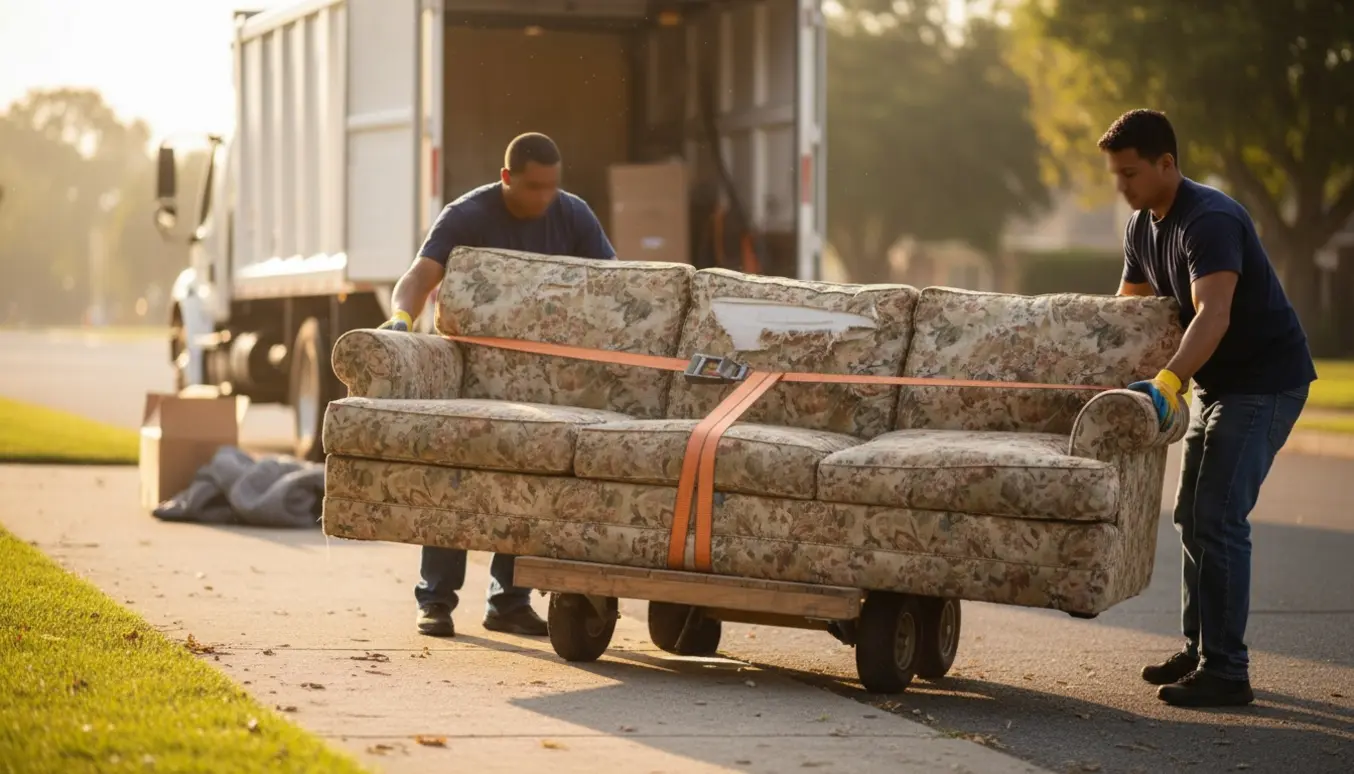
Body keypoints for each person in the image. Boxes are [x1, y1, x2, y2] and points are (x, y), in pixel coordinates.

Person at [1099, 109, 1317, 708]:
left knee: (1218, 517)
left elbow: (1212, 314)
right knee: (1191, 515)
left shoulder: (1211, 219)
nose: (1123, 187)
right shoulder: (1142, 225)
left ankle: (1228, 670)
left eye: (1132, 174)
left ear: (1168, 163)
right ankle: (1200, 650)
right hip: (1219, 386)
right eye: (1117, 176)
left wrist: (1168, 381)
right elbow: (1130, 314)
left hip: (1265, 381)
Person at [376, 132, 617, 638]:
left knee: (531, 474)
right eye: (533, 187)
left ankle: (509, 603)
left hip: (541, 380)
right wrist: (400, 318)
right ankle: (436, 601)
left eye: (552, 186)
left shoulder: (573, 215)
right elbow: (420, 275)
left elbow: (616, 285)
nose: (544, 198)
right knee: (455, 477)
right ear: (507, 178)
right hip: (471, 373)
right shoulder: (467, 216)